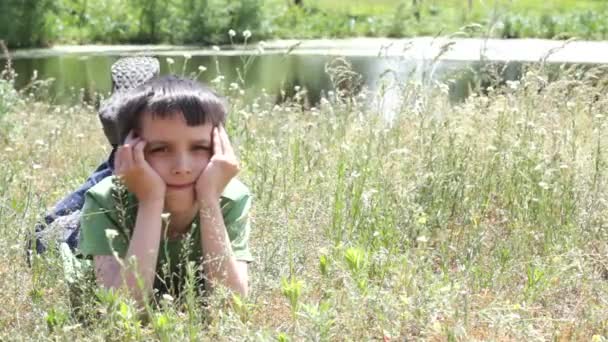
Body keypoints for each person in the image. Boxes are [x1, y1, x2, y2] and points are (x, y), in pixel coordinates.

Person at [77, 75, 252, 302]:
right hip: (79, 231)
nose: (182, 167)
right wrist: (151, 201)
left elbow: (231, 305)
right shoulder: (104, 200)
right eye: (160, 149)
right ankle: (116, 153)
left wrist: (209, 200)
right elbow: (125, 312)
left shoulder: (230, 196)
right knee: (51, 231)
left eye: (200, 147)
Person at [28, 56, 160, 259]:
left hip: (120, 166)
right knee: (50, 232)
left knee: (46, 234)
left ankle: (52, 231)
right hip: (125, 165)